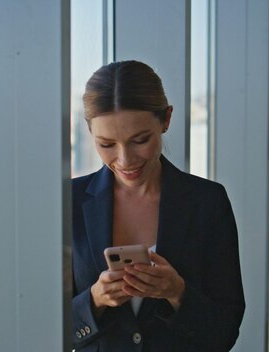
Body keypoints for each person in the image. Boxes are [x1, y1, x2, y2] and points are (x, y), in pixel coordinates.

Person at [71, 60, 245, 351]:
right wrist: (95, 300)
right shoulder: (71, 202)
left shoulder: (208, 203)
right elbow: (46, 325)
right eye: (107, 144)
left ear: (166, 120)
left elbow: (225, 332)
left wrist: (178, 293)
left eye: (140, 140)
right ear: (90, 132)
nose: (125, 160)